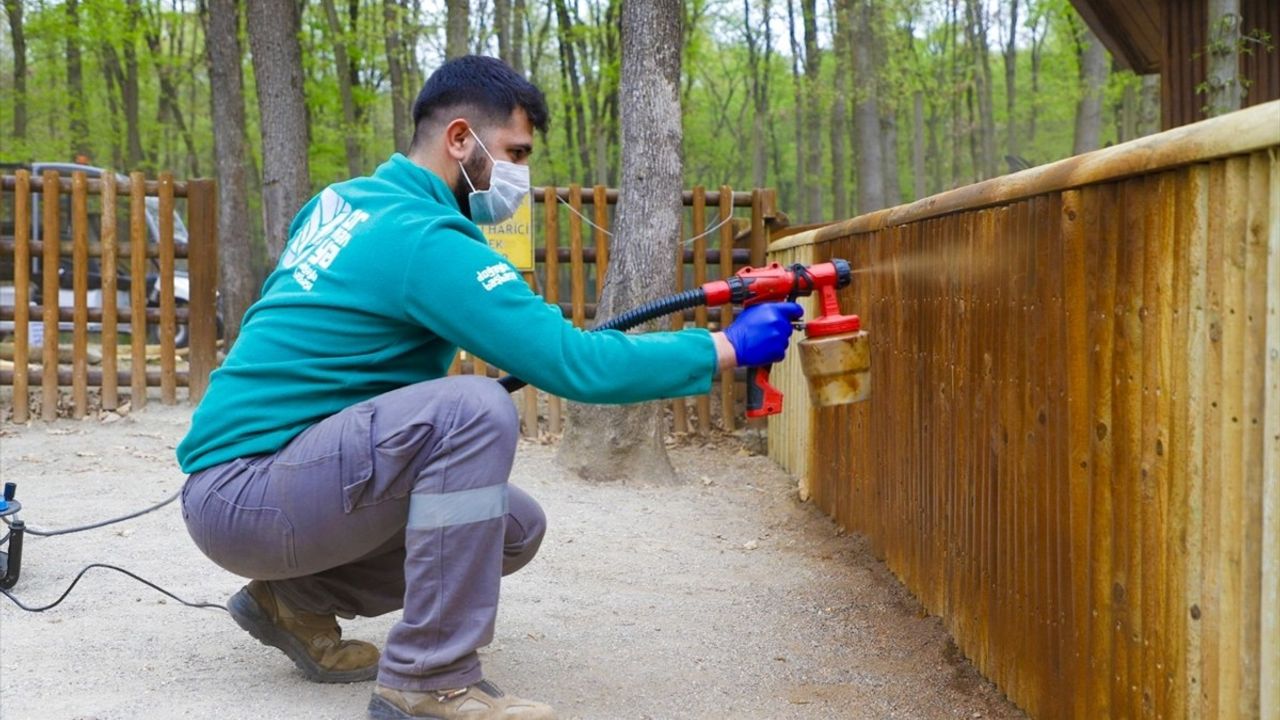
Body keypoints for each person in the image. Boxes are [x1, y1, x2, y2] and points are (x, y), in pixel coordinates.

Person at [176, 55, 802, 720]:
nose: (520, 176)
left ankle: (293, 599)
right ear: (459, 140)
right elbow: (574, 364)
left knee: (511, 527)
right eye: (515, 152)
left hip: (250, 486)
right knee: (470, 411)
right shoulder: (422, 236)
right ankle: (429, 679)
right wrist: (723, 346)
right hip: (248, 492)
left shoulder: (344, 202)